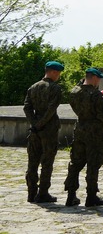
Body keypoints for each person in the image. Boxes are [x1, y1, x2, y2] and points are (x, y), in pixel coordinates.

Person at [64, 67, 103, 207]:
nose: (99, 82)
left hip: (79, 130)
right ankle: (91, 197)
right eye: (98, 78)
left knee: (75, 163)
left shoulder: (74, 92)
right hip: (94, 133)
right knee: (93, 164)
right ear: (93, 77)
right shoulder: (95, 95)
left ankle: (71, 196)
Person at [23, 60, 65, 203]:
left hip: (34, 130)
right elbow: (51, 109)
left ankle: (31, 192)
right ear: (53, 72)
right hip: (48, 130)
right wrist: (41, 124)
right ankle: (43, 193)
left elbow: (27, 107)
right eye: (58, 73)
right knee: (47, 162)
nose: (58, 76)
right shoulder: (55, 89)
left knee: (32, 162)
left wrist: (34, 123)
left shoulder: (33, 87)